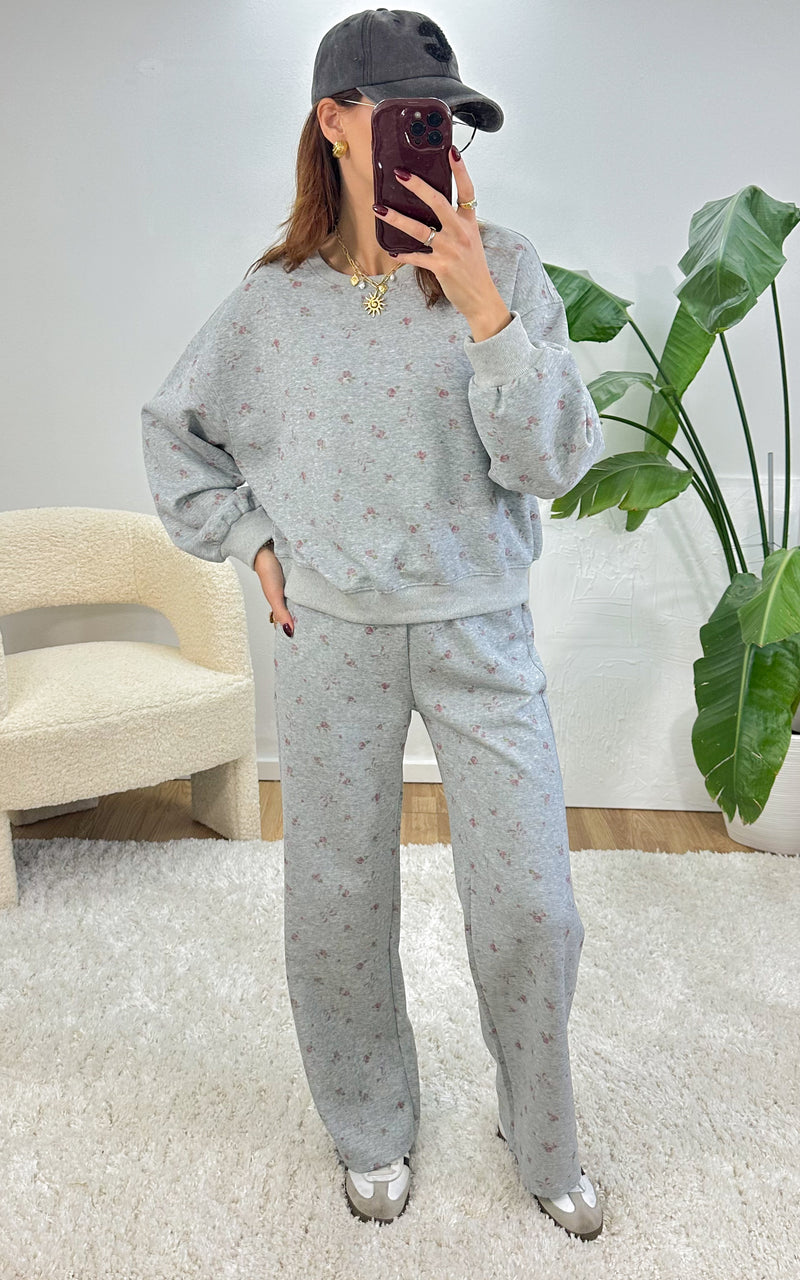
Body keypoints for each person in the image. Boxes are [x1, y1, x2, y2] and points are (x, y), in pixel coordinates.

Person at [141, 7, 605, 1240]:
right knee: (335, 898)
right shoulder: (272, 303)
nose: (432, 136)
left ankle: (541, 1131)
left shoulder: (504, 267)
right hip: (332, 635)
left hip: (478, 628)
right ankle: (367, 1123)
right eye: (407, 114)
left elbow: (555, 462)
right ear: (336, 124)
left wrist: (484, 309)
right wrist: (251, 539)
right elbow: (177, 432)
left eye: (445, 119)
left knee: (532, 905)